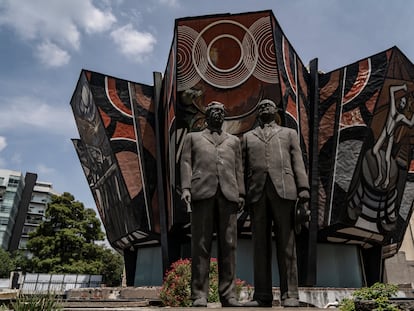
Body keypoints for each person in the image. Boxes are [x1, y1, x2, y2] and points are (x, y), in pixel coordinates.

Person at [242, 99, 310, 308]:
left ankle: (290, 294)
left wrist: (304, 189)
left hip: (285, 191)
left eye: (268, 105)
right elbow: (241, 168)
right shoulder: (247, 137)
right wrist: (241, 194)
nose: (264, 108)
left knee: (287, 245)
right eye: (260, 106)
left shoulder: (288, 134)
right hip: (257, 194)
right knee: (260, 246)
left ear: (276, 111)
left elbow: (297, 161)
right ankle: (262, 296)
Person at [180, 101, 245, 307]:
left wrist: (241, 192)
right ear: (206, 116)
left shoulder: (233, 141)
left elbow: (239, 168)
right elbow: (186, 162)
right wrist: (186, 188)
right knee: (200, 245)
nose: (217, 114)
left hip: (229, 194)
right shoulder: (193, 137)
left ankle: (229, 295)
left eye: (221, 111)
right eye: (213, 111)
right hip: (202, 192)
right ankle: (199, 294)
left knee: (229, 246)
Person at [373, 84, 414, 189]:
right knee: (375, 151)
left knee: (387, 159)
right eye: (401, 101)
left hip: (390, 135)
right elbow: (391, 90)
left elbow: (410, 124)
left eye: (404, 103)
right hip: (384, 132)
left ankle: (386, 179)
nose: (401, 103)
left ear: (405, 106)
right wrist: (402, 87)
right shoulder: (393, 110)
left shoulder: (400, 117)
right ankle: (380, 175)